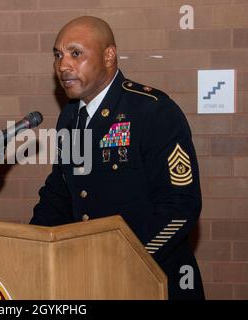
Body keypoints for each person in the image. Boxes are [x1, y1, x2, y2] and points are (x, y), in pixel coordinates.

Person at [29, 16, 205, 300]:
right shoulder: (70, 118)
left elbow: (180, 207)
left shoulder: (152, 111)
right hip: (92, 278)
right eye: (58, 55)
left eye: (76, 53)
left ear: (109, 56)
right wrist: (32, 246)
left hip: (151, 275)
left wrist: (127, 257)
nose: (63, 65)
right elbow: (60, 193)